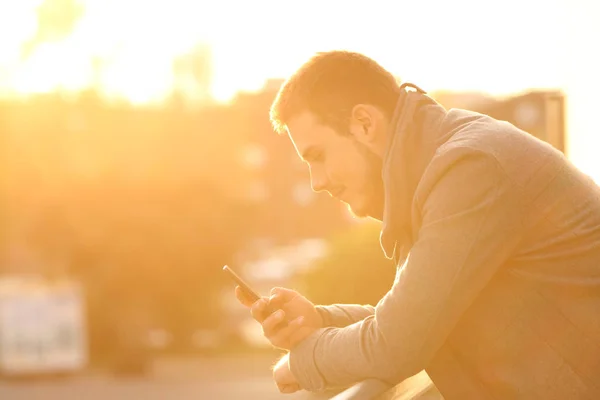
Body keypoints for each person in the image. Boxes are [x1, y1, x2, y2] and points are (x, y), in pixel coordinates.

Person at [234, 51, 600, 399]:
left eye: (318, 156)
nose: (316, 181)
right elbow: (422, 319)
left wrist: (302, 362)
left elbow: (398, 342)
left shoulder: (469, 168)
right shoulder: (440, 164)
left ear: (365, 123)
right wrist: (320, 320)